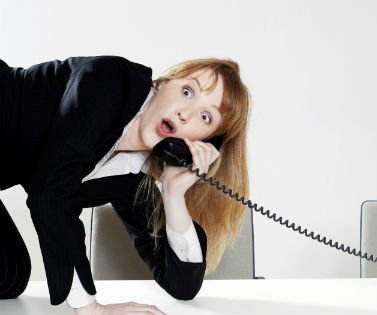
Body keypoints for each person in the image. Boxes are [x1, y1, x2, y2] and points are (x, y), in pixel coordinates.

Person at [0, 55, 251, 314]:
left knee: (9, 273)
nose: (185, 114)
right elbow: (50, 194)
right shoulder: (109, 80)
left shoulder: (132, 177)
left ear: (205, 143)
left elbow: (182, 286)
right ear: (163, 83)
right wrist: (91, 308)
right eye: (187, 91)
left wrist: (173, 193)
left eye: (206, 117)